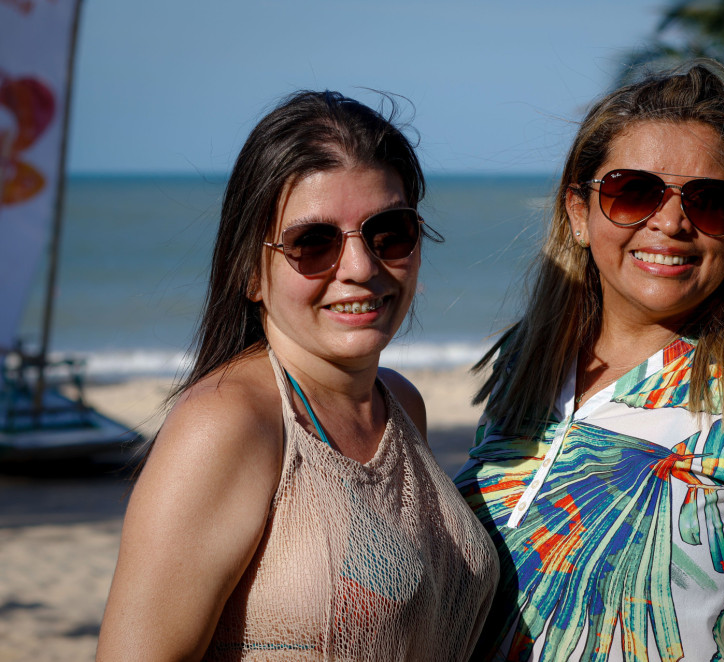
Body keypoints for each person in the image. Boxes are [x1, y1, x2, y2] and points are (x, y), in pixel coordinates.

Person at [456, 61, 724, 661]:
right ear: (579, 213)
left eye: (710, 202)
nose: (671, 222)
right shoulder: (527, 368)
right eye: (632, 191)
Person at [97, 91, 498, 661]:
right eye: (313, 243)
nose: (360, 268)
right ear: (249, 272)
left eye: (389, 233)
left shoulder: (401, 403)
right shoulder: (230, 423)